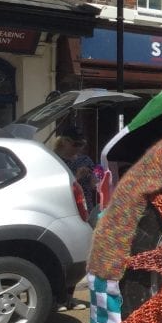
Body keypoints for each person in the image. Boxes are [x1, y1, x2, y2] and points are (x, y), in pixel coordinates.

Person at [53, 125, 94, 311]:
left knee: (79, 255)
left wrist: (94, 179)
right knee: (61, 255)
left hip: (85, 211)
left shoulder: (85, 159)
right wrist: (76, 176)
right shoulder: (55, 161)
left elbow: (94, 184)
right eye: (76, 145)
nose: (79, 149)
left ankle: (68, 297)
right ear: (65, 142)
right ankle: (57, 298)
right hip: (63, 211)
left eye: (81, 145)